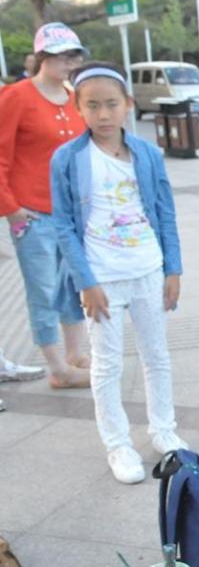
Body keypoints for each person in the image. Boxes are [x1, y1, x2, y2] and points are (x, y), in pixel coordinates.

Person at [50, 62, 187, 484]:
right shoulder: (68, 158)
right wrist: (86, 282)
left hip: (147, 269)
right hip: (102, 277)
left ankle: (163, 429)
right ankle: (118, 443)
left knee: (156, 355)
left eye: (111, 104)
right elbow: (63, 226)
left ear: (128, 104)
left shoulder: (147, 154)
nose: (103, 114)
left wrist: (173, 268)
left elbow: (165, 211)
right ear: (78, 108)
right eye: (92, 105)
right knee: (107, 363)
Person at [0, 22, 90, 389]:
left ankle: (75, 354)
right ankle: (57, 367)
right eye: (60, 55)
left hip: (70, 213)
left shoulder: (75, 96)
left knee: (73, 284)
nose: (69, 62)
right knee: (44, 290)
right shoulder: (16, 96)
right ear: (41, 56)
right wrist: (11, 209)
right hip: (32, 215)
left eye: (74, 55)